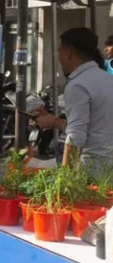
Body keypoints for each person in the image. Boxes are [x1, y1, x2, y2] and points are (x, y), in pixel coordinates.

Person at [33, 27, 113, 177]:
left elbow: (76, 136)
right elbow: (95, 127)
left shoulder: (78, 85)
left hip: (93, 171)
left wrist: (65, 181)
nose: (58, 55)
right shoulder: (107, 79)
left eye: (59, 50)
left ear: (68, 52)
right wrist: (55, 121)